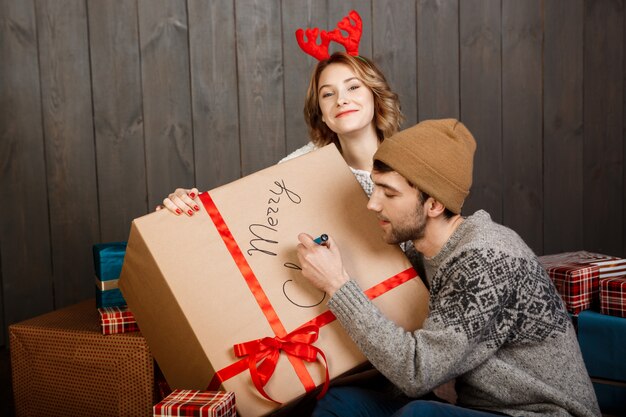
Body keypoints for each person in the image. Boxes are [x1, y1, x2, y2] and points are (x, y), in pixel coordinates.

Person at [295, 119, 601, 417]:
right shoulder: (428, 253)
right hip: (478, 408)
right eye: (375, 189)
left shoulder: (485, 259)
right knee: (340, 403)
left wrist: (337, 284)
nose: (372, 204)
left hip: (538, 413)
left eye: (389, 193)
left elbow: (417, 373)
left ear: (434, 205)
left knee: (418, 413)